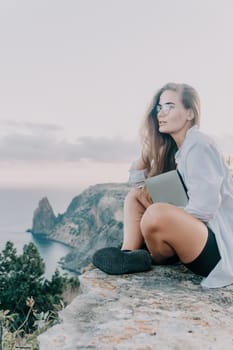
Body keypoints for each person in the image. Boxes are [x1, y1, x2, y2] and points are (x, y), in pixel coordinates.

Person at [93, 82, 233, 288]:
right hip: (197, 235)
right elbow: (137, 183)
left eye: (169, 106)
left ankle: (149, 256)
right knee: (135, 196)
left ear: (189, 114)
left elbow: (205, 208)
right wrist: (148, 149)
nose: (161, 113)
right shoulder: (179, 150)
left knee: (156, 213)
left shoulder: (199, 144)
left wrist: (167, 214)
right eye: (159, 107)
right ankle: (129, 254)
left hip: (217, 249)